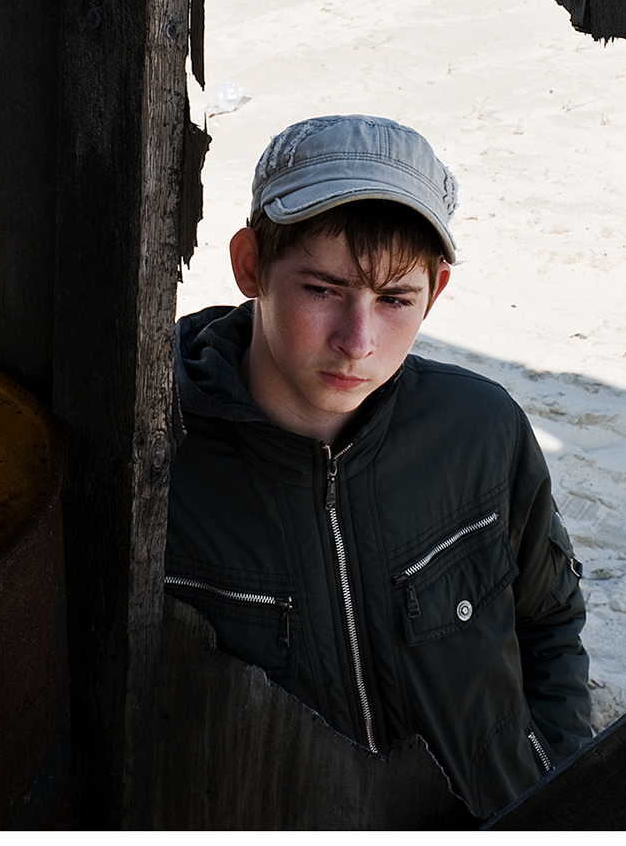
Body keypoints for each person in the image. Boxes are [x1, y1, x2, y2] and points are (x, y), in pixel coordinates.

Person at [165, 113, 592, 819]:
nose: (358, 340)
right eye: (323, 289)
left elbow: (548, 616)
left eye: (395, 299)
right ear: (250, 266)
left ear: (437, 290)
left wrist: (558, 773)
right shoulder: (158, 464)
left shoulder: (482, 430)